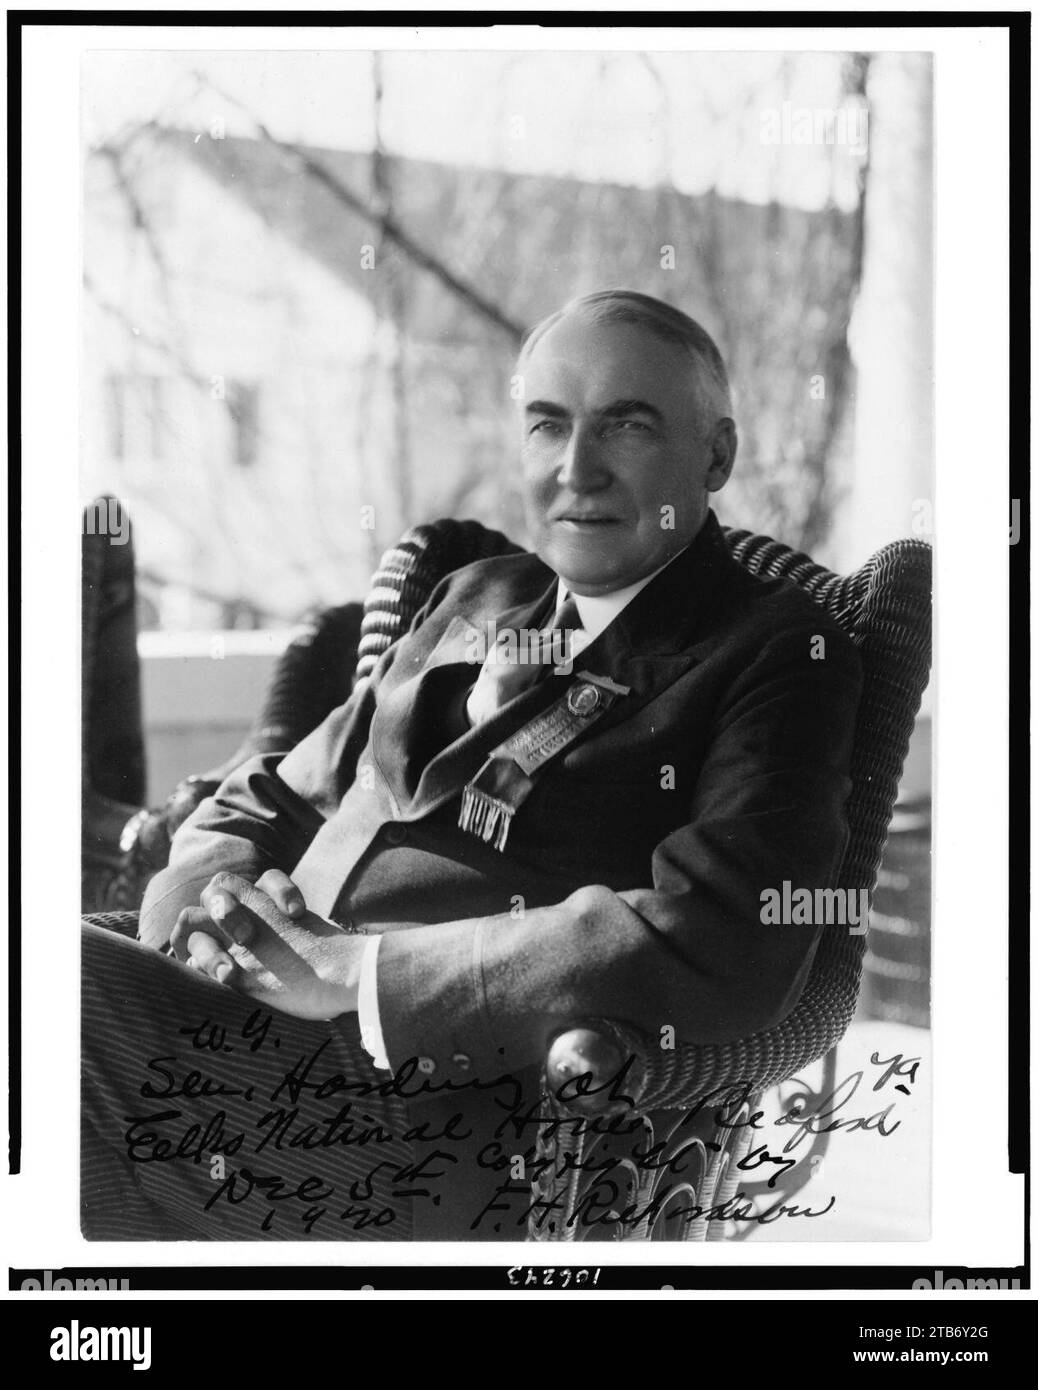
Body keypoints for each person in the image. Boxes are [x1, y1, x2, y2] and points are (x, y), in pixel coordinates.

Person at [81, 290, 862, 1242]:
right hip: (242, 1035)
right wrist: (201, 924)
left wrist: (363, 973)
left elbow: (723, 933)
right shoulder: (475, 597)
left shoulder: (776, 650)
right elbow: (271, 794)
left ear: (716, 455)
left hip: (446, 1120)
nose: (578, 469)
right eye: (548, 425)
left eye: (626, 424)